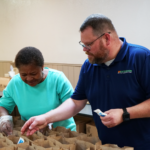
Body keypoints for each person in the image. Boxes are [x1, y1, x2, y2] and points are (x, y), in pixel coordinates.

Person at [21, 14, 150, 150]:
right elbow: (76, 102)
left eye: (88, 45)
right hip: (107, 145)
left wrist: (124, 113)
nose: (84, 49)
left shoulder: (141, 58)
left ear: (106, 38)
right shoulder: (89, 66)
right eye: (83, 44)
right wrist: (46, 118)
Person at [0, 47, 76, 135]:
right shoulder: (15, 83)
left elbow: (72, 106)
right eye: (23, 74)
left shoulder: (57, 79)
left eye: (33, 74)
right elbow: (3, 106)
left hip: (62, 134)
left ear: (42, 67)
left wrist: (47, 119)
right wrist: (4, 118)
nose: (29, 78)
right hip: (32, 134)